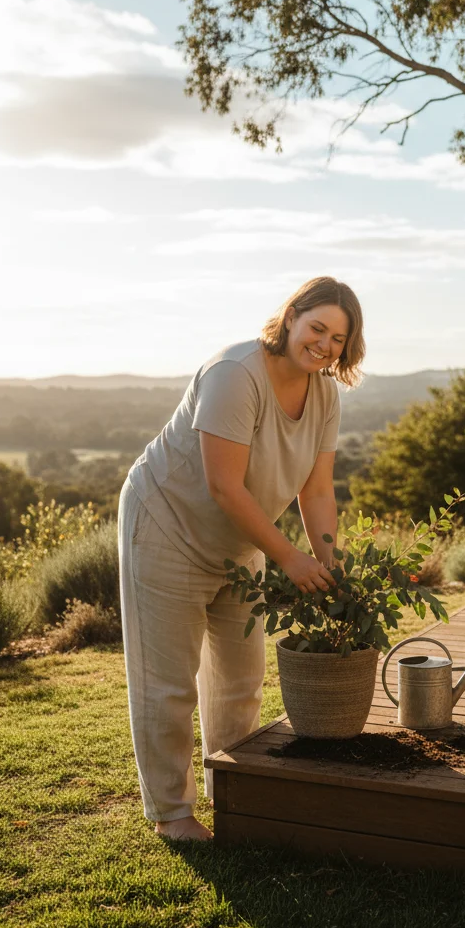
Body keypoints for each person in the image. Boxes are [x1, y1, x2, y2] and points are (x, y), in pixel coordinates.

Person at [117, 276, 365, 840]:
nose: (324, 345)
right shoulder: (236, 374)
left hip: (241, 542)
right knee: (168, 681)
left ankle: (232, 790)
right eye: (317, 328)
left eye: (338, 339)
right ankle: (172, 814)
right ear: (292, 318)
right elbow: (224, 486)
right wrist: (290, 561)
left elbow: (318, 491)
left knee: (240, 678)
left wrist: (328, 563)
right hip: (166, 526)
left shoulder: (324, 394)